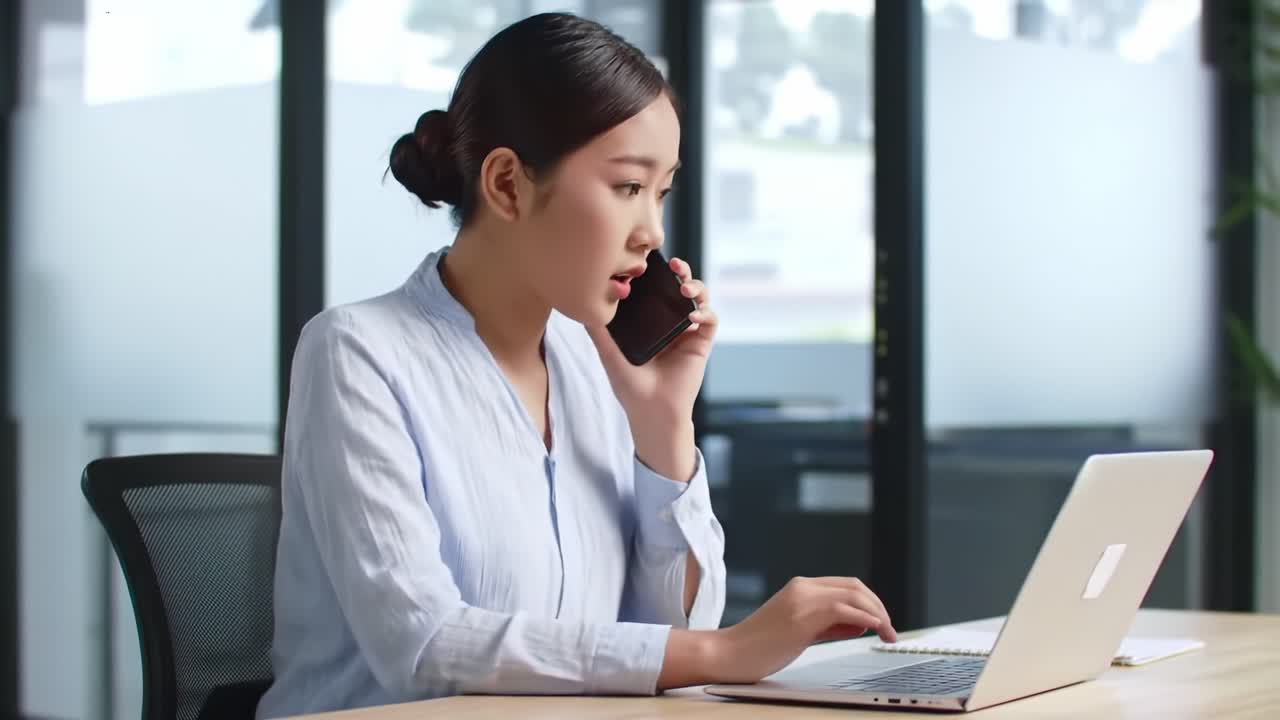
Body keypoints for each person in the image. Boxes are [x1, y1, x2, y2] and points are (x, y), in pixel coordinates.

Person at [256, 12, 897, 718]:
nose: (652, 231)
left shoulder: (593, 365)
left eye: (663, 192)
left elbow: (669, 636)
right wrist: (730, 653)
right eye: (628, 187)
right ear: (507, 185)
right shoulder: (357, 352)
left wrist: (664, 426)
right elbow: (424, 646)